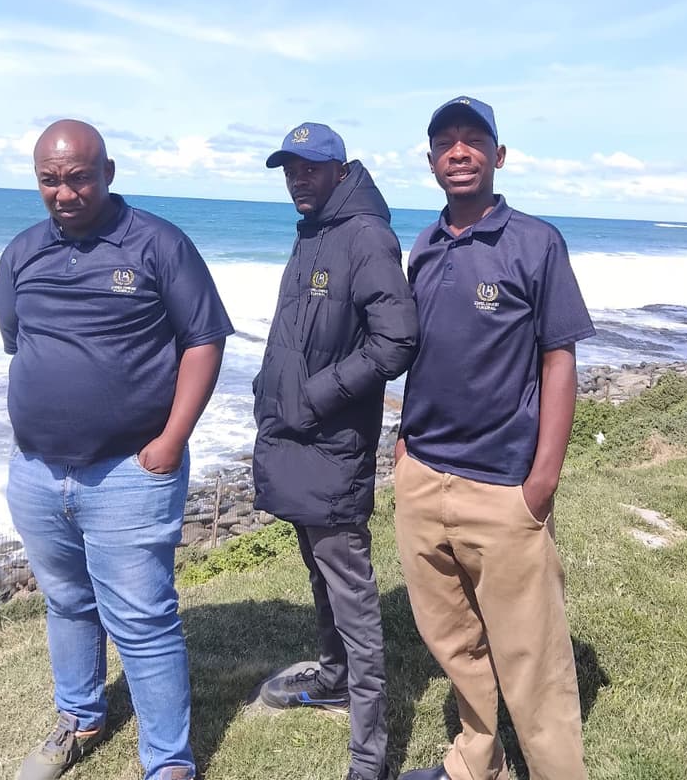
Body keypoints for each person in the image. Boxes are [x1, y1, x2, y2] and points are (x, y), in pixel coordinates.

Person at [0, 120, 233, 780]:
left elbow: (204, 339)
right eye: (50, 179)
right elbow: (19, 340)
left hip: (130, 471)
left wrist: (171, 441)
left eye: (78, 177)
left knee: (144, 621)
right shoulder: (22, 253)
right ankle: (79, 718)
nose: (64, 192)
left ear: (108, 172)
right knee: (67, 603)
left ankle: (168, 763)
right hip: (38, 470)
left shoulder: (158, 244)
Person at [394, 96, 595, 780]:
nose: (459, 151)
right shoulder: (424, 246)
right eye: (445, 142)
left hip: (503, 487)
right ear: (430, 161)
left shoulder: (536, 243)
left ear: (498, 155)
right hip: (424, 477)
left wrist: (542, 480)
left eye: (473, 139)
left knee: (533, 662)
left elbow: (559, 358)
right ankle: (477, 762)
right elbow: (423, 353)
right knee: (455, 644)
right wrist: (404, 443)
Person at [253, 122, 418, 780]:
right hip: (296, 439)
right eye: (290, 168)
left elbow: (395, 341)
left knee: (353, 598)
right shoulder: (314, 231)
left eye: (311, 167)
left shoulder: (365, 236)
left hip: (332, 446)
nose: (298, 178)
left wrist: (315, 395)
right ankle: (331, 678)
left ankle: (369, 756)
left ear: (340, 170)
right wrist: (270, 391)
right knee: (319, 575)